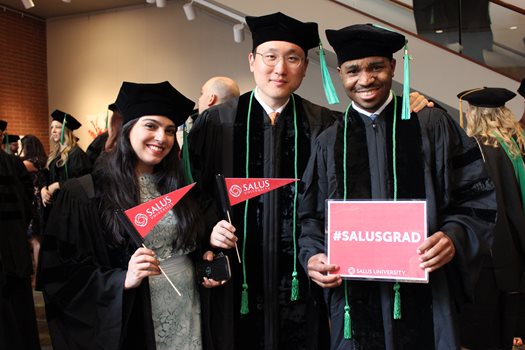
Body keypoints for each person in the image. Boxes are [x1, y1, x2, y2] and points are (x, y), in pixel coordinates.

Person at [188, 12, 432, 350]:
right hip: (238, 284)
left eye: (293, 58)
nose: (280, 68)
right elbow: (190, 193)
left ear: (305, 67)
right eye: (270, 56)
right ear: (252, 60)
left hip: (305, 283)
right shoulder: (215, 125)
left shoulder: (325, 125)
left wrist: (408, 111)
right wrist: (209, 228)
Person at [298, 24, 497, 350]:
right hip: (354, 301)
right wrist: (313, 257)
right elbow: (309, 217)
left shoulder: (431, 124)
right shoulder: (329, 141)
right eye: (353, 71)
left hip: (428, 297)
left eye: (376, 66)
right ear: (340, 74)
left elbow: (476, 195)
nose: (365, 79)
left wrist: (453, 236)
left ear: (392, 66)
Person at [37, 81, 219, 350]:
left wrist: (207, 256)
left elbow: (190, 241)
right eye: (151, 126)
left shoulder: (179, 186)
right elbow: (60, 275)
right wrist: (121, 279)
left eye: (170, 131)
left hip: (187, 306)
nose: (162, 138)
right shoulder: (87, 193)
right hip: (135, 317)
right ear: (128, 128)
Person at [457, 87, 525, 350]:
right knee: (506, 327)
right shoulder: (515, 143)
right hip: (516, 248)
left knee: (484, 329)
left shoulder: (480, 149)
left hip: (492, 252)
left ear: (476, 114)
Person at [0, 121, 41, 350]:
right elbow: (27, 208)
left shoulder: (13, 163)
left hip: (9, 251)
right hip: (15, 249)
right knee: (20, 318)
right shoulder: (14, 164)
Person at [40, 109, 92, 216]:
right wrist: (43, 190)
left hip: (70, 210)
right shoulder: (54, 155)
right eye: (52, 127)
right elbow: (46, 177)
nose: (53, 131)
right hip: (55, 207)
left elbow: (83, 183)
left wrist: (57, 185)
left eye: (58, 127)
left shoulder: (76, 154)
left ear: (66, 130)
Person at [19, 135, 48, 277]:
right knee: (37, 239)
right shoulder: (41, 160)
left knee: (35, 241)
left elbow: (16, 166)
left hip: (33, 204)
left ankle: (38, 275)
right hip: (39, 203)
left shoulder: (28, 163)